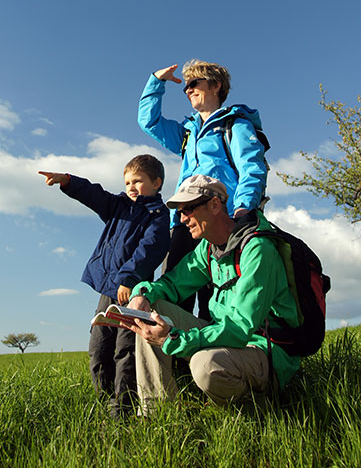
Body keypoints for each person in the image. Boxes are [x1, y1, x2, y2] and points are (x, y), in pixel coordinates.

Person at [125, 174, 300, 410]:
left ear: (215, 205)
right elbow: (173, 285)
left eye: (188, 209)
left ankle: (259, 409)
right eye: (180, 212)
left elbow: (240, 328)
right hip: (228, 341)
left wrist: (173, 339)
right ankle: (158, 415)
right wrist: (142, 294)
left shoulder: (258, 250)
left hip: (263, 350)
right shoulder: (207, 249)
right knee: (151, 309)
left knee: (204, 364)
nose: (183, 219)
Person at [38, 154, 170, 419]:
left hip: (131, 294)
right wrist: (68, 181)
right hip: (108, 291)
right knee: (98, 348)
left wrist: (129, 278)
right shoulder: (118, 205)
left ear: (156, 183)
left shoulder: (158, 215)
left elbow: (150, 249)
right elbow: (94, 194)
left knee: (125, 351)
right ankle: (104, 403)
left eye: (138, 181)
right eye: (127, 182)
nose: (131, 187)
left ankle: (123, 410)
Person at [138, 60, 268, 318]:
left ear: (216, 85)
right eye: (186, 86)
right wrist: (156, 81)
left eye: (194, 83)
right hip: (186, 221)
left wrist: (243, 208)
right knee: (175, 298)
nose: (187, 89)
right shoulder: (188, 132)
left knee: (217, 297)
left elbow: (252, 168)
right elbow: (149, 122)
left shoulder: (236, 125)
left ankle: (215, 356)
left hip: (224, 220)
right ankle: (177, 357)